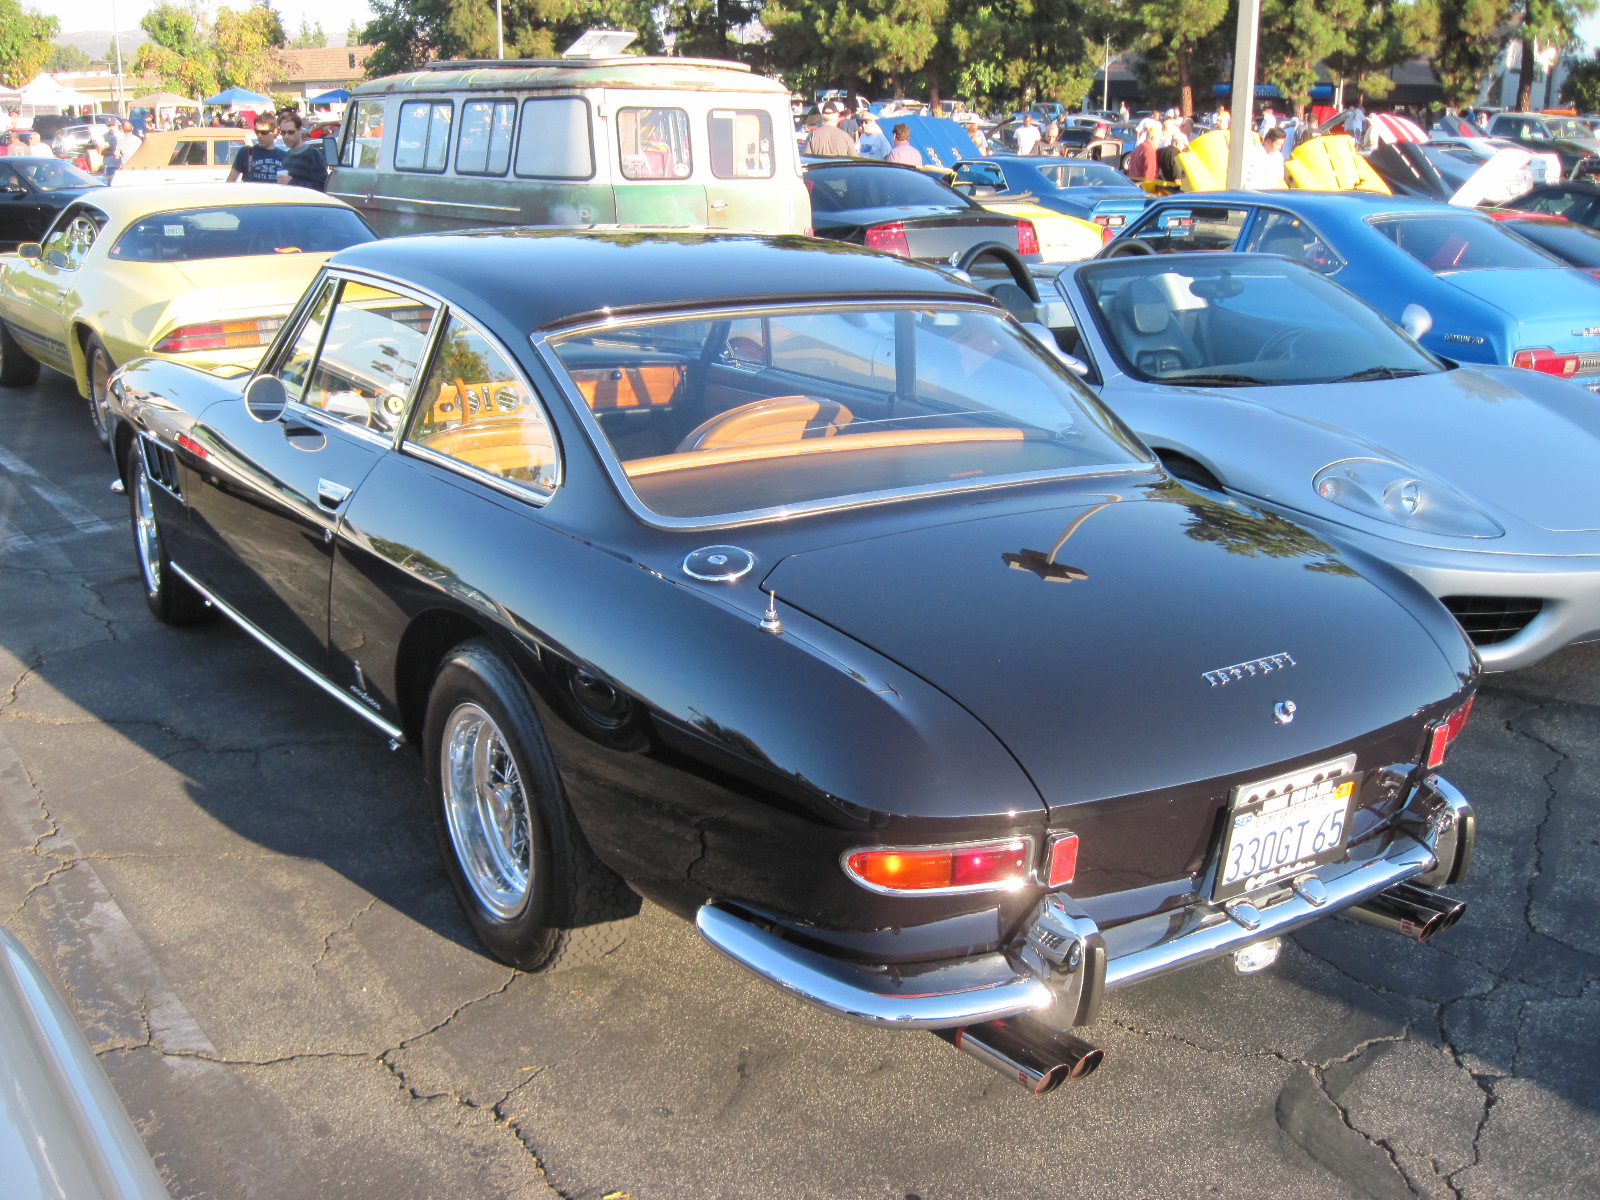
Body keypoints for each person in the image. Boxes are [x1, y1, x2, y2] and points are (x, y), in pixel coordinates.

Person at [276, 111, 326, 190]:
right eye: (283, 132)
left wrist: (292, 182)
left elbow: (321, 187)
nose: (286, 136)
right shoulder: (287, 154)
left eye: (291, 132)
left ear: (300, 130)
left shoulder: (313, 154)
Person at [228, 118, 287, 182]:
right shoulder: (246, 152)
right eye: (257, 132)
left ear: (274, 131)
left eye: (264, 132)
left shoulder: (285, 156)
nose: (259, 135)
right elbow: (231, 180)